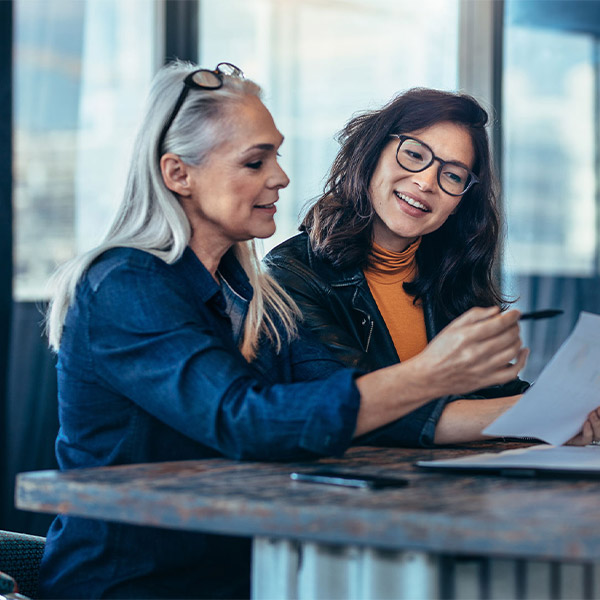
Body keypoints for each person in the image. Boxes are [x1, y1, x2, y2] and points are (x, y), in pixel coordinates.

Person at [38, 62, 595, 599]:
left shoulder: (255, 295)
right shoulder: (124, 284)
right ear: (178, 174)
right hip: (139, 585)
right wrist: (434, 374)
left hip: (250, 570)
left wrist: (549, 411)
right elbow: (248, 421)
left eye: (276, 157)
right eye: (256, 162)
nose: (280, 175)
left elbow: (343, 399)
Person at [265, 87, 600, 447]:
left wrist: (574, 412)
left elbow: (493, 393)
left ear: (459, 202)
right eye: (413, 155)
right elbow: (356, 411)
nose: (425, 183)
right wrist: (539, 412)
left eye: (453, 176)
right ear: (372, 154)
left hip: (452, 490)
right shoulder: (292, 273)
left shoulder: (452, 272)